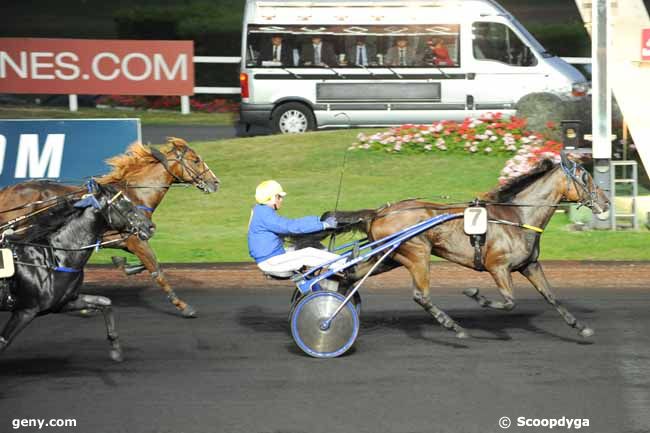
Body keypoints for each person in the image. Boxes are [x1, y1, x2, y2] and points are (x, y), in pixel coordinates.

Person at [247, 180, 342, 278]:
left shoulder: (261, 210)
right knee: (309, 253)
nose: (281, 200)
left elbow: (295, 222)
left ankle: (339, 265)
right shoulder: (264, 214)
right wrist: (323, 225)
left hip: (275, 256)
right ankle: (345, 264)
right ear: (271, 197)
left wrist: (320, 220)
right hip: (271, 261)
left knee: (313, 249)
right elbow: (292, 227)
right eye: (279, 197)